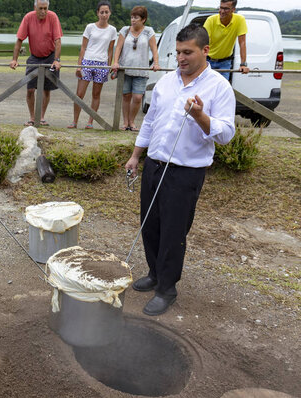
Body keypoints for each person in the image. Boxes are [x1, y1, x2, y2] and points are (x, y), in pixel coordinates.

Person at [124, 24, 235, 316]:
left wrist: (200, 116)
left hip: (185, 173)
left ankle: (167, 289)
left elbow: (225, 134)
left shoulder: (219, 87)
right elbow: (149, 122)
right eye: (178, 52)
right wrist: (136, 156)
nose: (181, 58)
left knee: (174, 232)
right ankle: (154, 273)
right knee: (150, 224)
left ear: (205, 51)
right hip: (154, 166)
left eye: (188, 52)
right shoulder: (165, 83)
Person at [10, 0, 62, 127]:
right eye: (40, 8)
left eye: (45, 8)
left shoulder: (53, 16)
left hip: (50, 57)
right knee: (30, 89)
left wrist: (57, 60)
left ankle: (41, 117)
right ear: (35, 7)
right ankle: (32, 117)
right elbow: (19, 40)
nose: (43, 11)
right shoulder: (28, 17)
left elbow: (58, 40)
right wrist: (14, 59)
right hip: (34, 57)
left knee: (46, 89)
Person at [68, 1, 116, 130]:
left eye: (106, 12)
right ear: (97, 13)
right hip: (87, 62)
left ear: (110, 13)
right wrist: (79, 66)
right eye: (102, 12)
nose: (104, 15)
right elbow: (83, 48)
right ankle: (74, 121)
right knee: (80, 93)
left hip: (102, 64)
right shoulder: (90, 27)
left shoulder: (112, 30)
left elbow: (110, 50)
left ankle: (90, 122)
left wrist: (108, 67)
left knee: (96, 94)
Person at [111, 6, 159, 131]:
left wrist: (156, 63)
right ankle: (125, 122)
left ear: (143, 19)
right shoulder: (125, 30)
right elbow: (118, 48)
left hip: (141, 70)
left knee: (137, 98)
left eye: (136, 18)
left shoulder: (149, 31)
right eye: (132, 17)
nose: (133, 20)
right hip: (125, 69)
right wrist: (115, 62)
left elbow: (154, 49)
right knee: (126, 96)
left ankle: (132, 121)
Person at [203, 0, 249, 81]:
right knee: (205, 88)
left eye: (226, 9)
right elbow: (203, 42)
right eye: (221, 8)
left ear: (233, 10)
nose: (222, 11)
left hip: (225, 62)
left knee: (222, 89)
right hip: (208, 60)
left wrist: (243, 64)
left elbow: (242, 43)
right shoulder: (211, 20)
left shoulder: (240, 20)